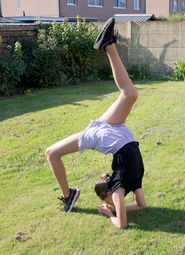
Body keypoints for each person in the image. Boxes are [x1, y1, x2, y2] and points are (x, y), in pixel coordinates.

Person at [45, 17, 146, 228]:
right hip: (115, 130)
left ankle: (68, 197)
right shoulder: (126, 184)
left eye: (108, 200)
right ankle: (108, 46)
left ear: (108, 193)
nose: (114, 202)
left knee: (51, 153)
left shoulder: (119, 185)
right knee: (130, 94)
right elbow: (141, 206)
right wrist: (116, 209)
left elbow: (124, 222)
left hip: (104, 136)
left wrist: (111, 212)